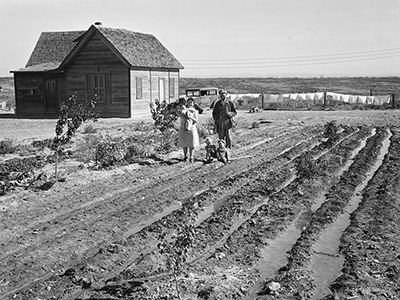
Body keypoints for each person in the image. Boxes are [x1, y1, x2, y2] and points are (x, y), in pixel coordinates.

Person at [177, 97, 200, 162]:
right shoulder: (183, 109)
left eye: (191, 102)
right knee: (184, 142)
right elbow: (179, 114)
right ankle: (185, 156)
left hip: (192, 127)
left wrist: (190, 117)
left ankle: (191, 156)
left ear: (193, 103)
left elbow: (196, 120)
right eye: (189, 102)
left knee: (191, 143)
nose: (190, 104)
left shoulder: (195, 111)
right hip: (183, 127)